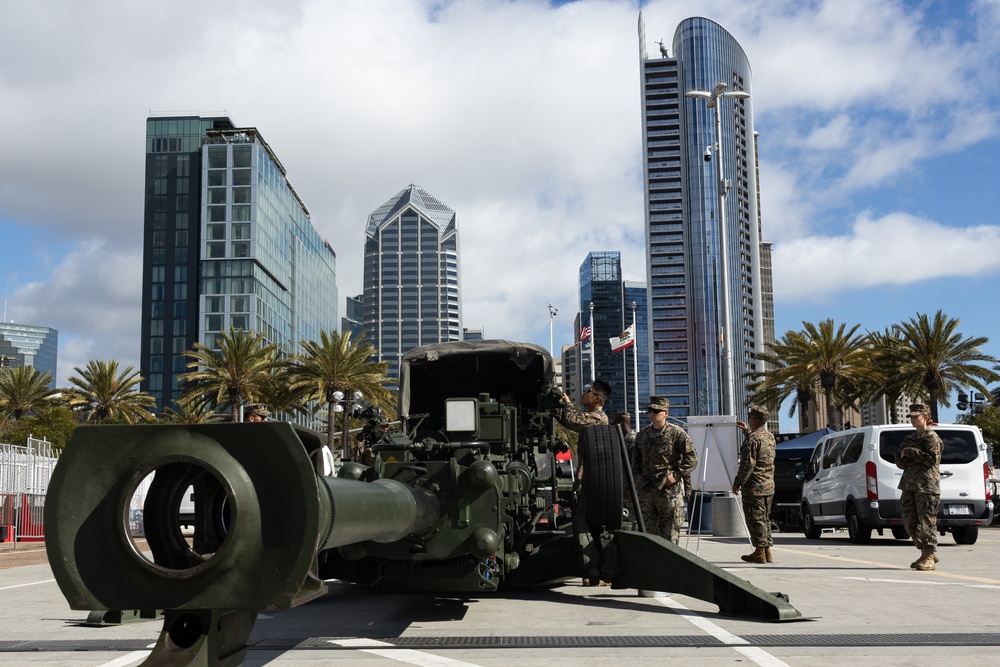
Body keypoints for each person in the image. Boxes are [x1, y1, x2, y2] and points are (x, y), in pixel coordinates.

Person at [632, 397, 698, 544]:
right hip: (646, 492)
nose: (652, 414)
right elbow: (635, 462)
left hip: (668, 492)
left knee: (670, 535)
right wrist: (637, 479)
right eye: (650, 410)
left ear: (666, 413)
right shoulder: (641, 435)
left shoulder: (677, 434)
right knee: (646, 535)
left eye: (656, 411)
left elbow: (692, 459)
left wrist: (676, 475)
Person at [896, 403, 942, 571]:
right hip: (909, 484)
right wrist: (907, 454)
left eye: (917, 417)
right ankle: (925, 552)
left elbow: (932, 460)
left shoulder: (931, 438)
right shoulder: (910, 438)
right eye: (912, 417)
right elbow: (899, 460)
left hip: (927, 485)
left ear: (926, 418)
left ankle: (929, 555)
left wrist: (912, 453)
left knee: (926, 521)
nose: (913, 420)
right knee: (909, 521)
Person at [732, 405, 776, 564]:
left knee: (755, 519)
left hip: (754, 487)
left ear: (754, 419)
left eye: (750, 417)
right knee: (765, 519)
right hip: (768, 486)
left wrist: (737, 483)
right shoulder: (769, 437)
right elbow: (759, 445)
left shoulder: (752, 439)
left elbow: (747, 465)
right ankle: (767, 551)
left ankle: (759, 552)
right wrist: (746, 431)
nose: (749, 419)